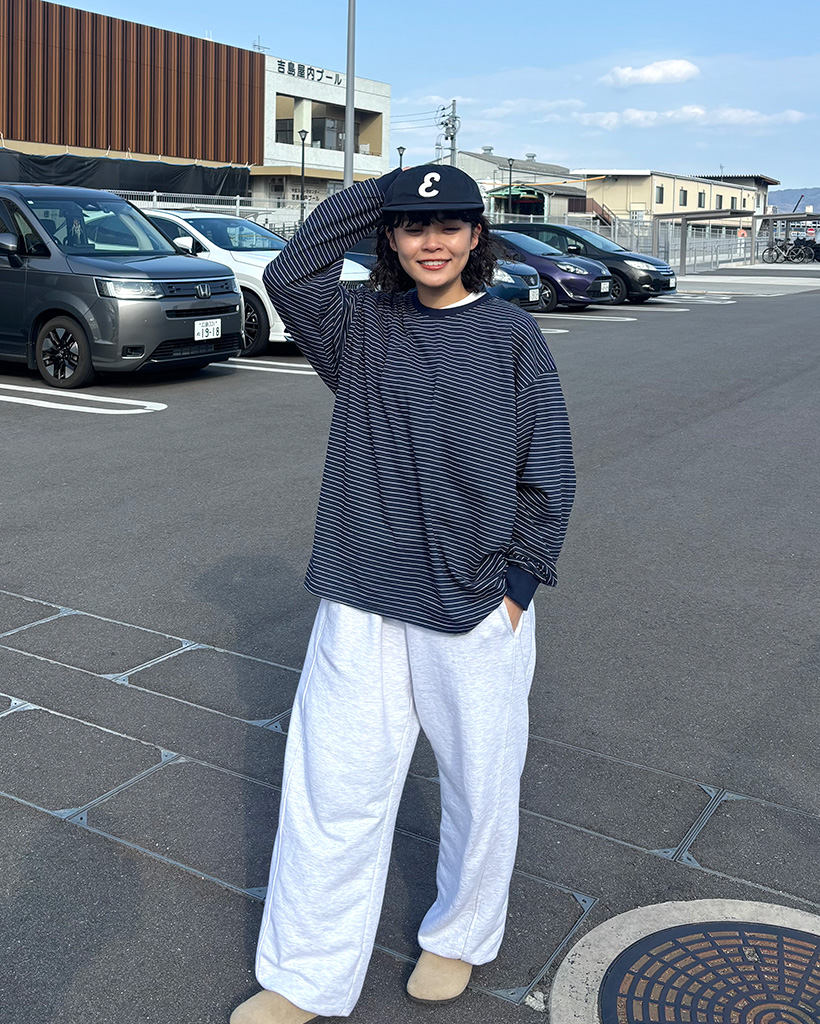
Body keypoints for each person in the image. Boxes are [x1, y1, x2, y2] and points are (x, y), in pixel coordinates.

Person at [231, 164, 576, 1024]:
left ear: (477, 237)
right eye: (415, 225)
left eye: (452, 224)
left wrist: (518, 585)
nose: (433, 241)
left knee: (479, 786)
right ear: (389, 234)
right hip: (361, 594)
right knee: (332, 790)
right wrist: (388, 187)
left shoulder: (511, 334)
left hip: (474, 600)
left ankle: (458, 936)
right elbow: (291, 270)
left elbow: (548, 467)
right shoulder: (361, 324)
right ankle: (304, 975)